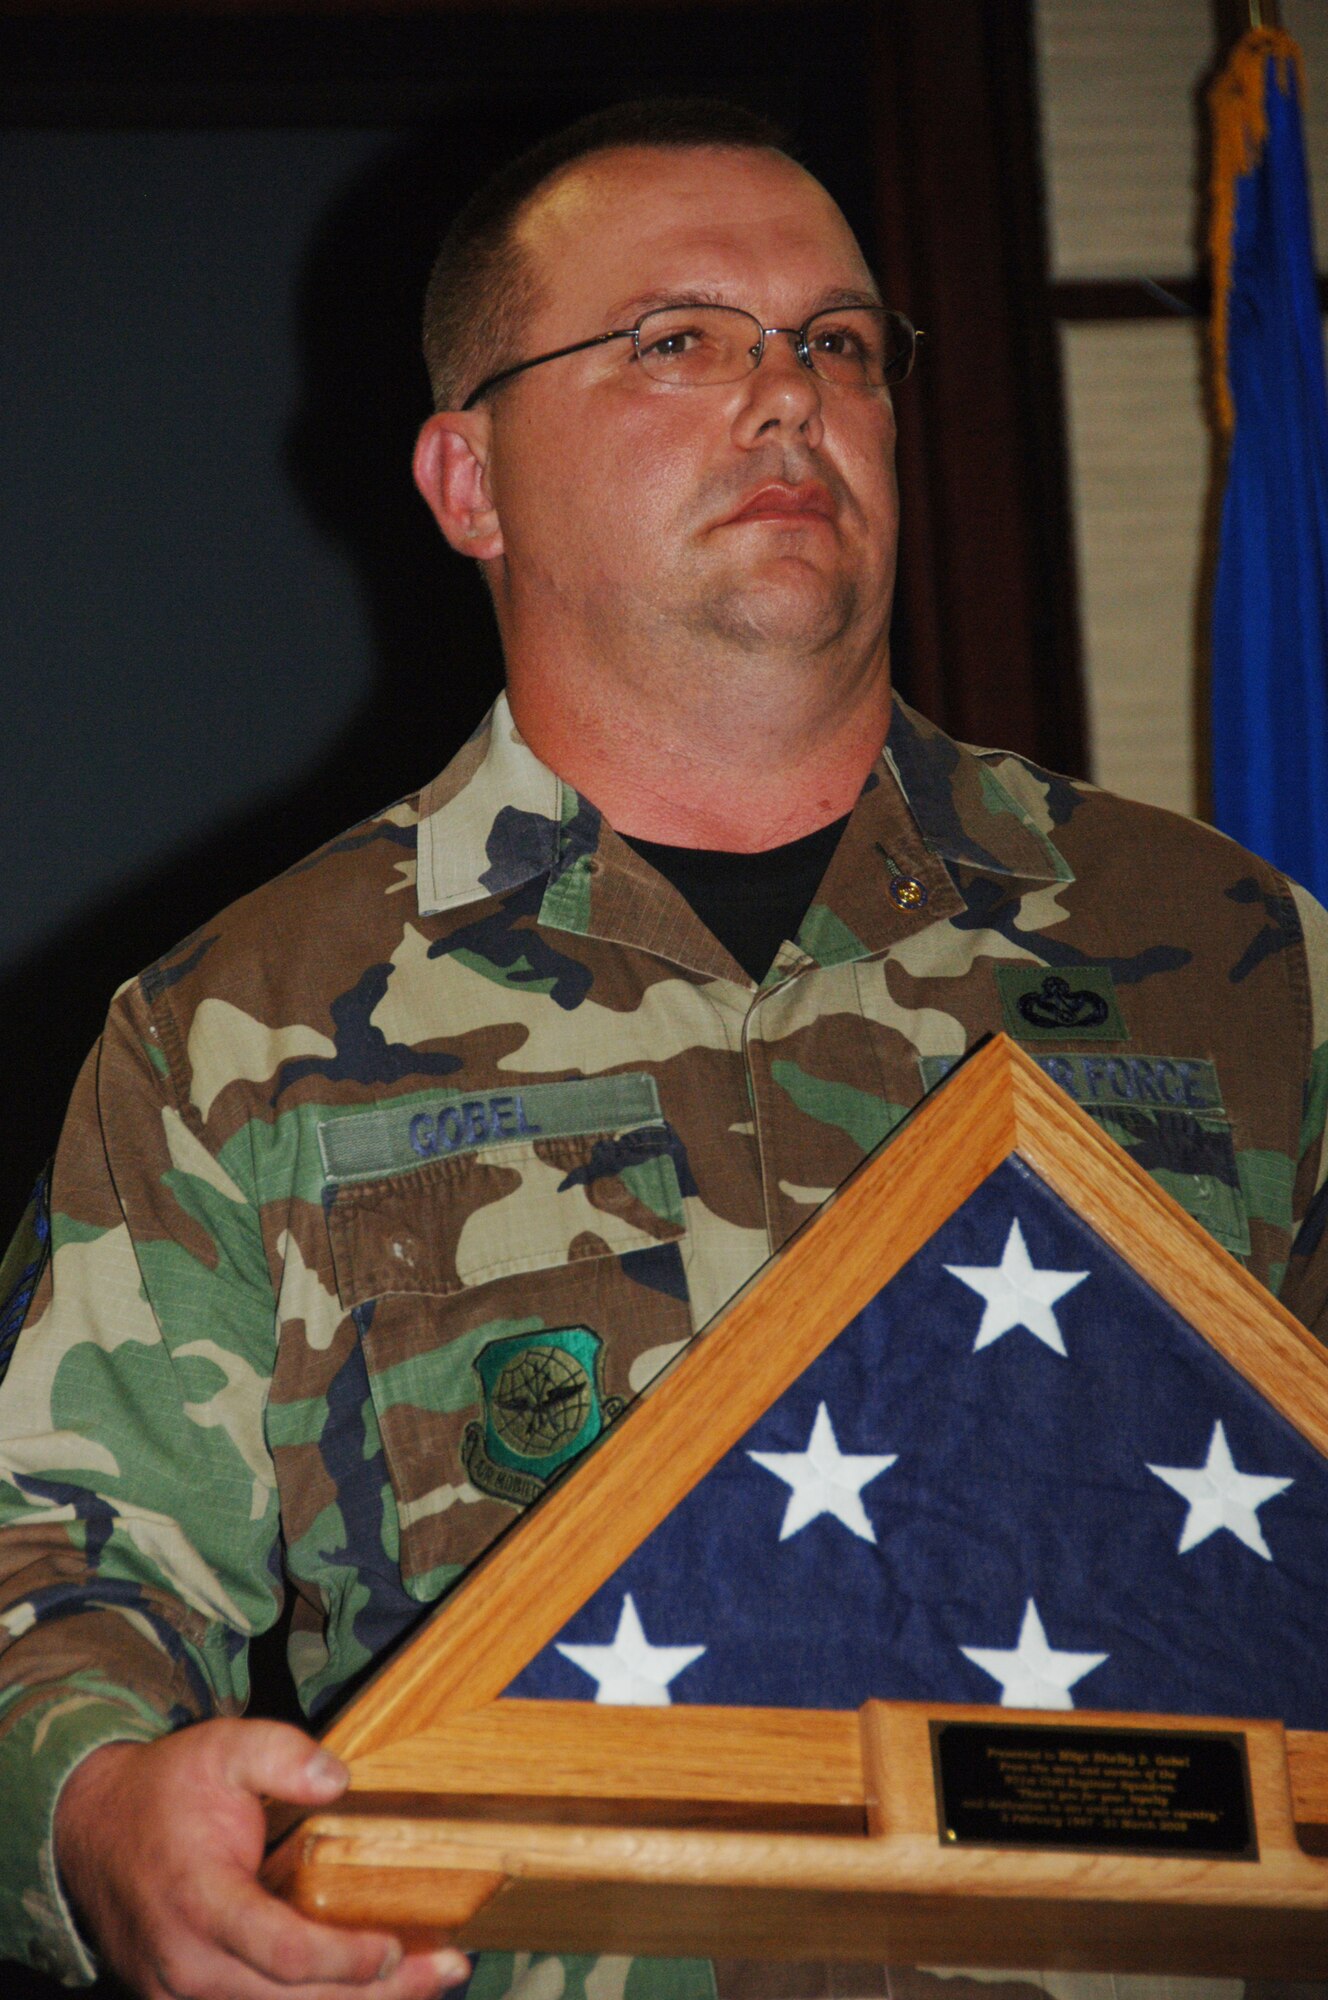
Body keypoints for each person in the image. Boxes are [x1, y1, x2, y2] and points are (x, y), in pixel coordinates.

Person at [2, 95, 1327, 2000]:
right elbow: (52, 1568)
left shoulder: (1229, 960)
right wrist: (105, 1818)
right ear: (468, 481)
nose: (786, 397)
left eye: (840, 345)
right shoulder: (238, 1036)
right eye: (676, 340)